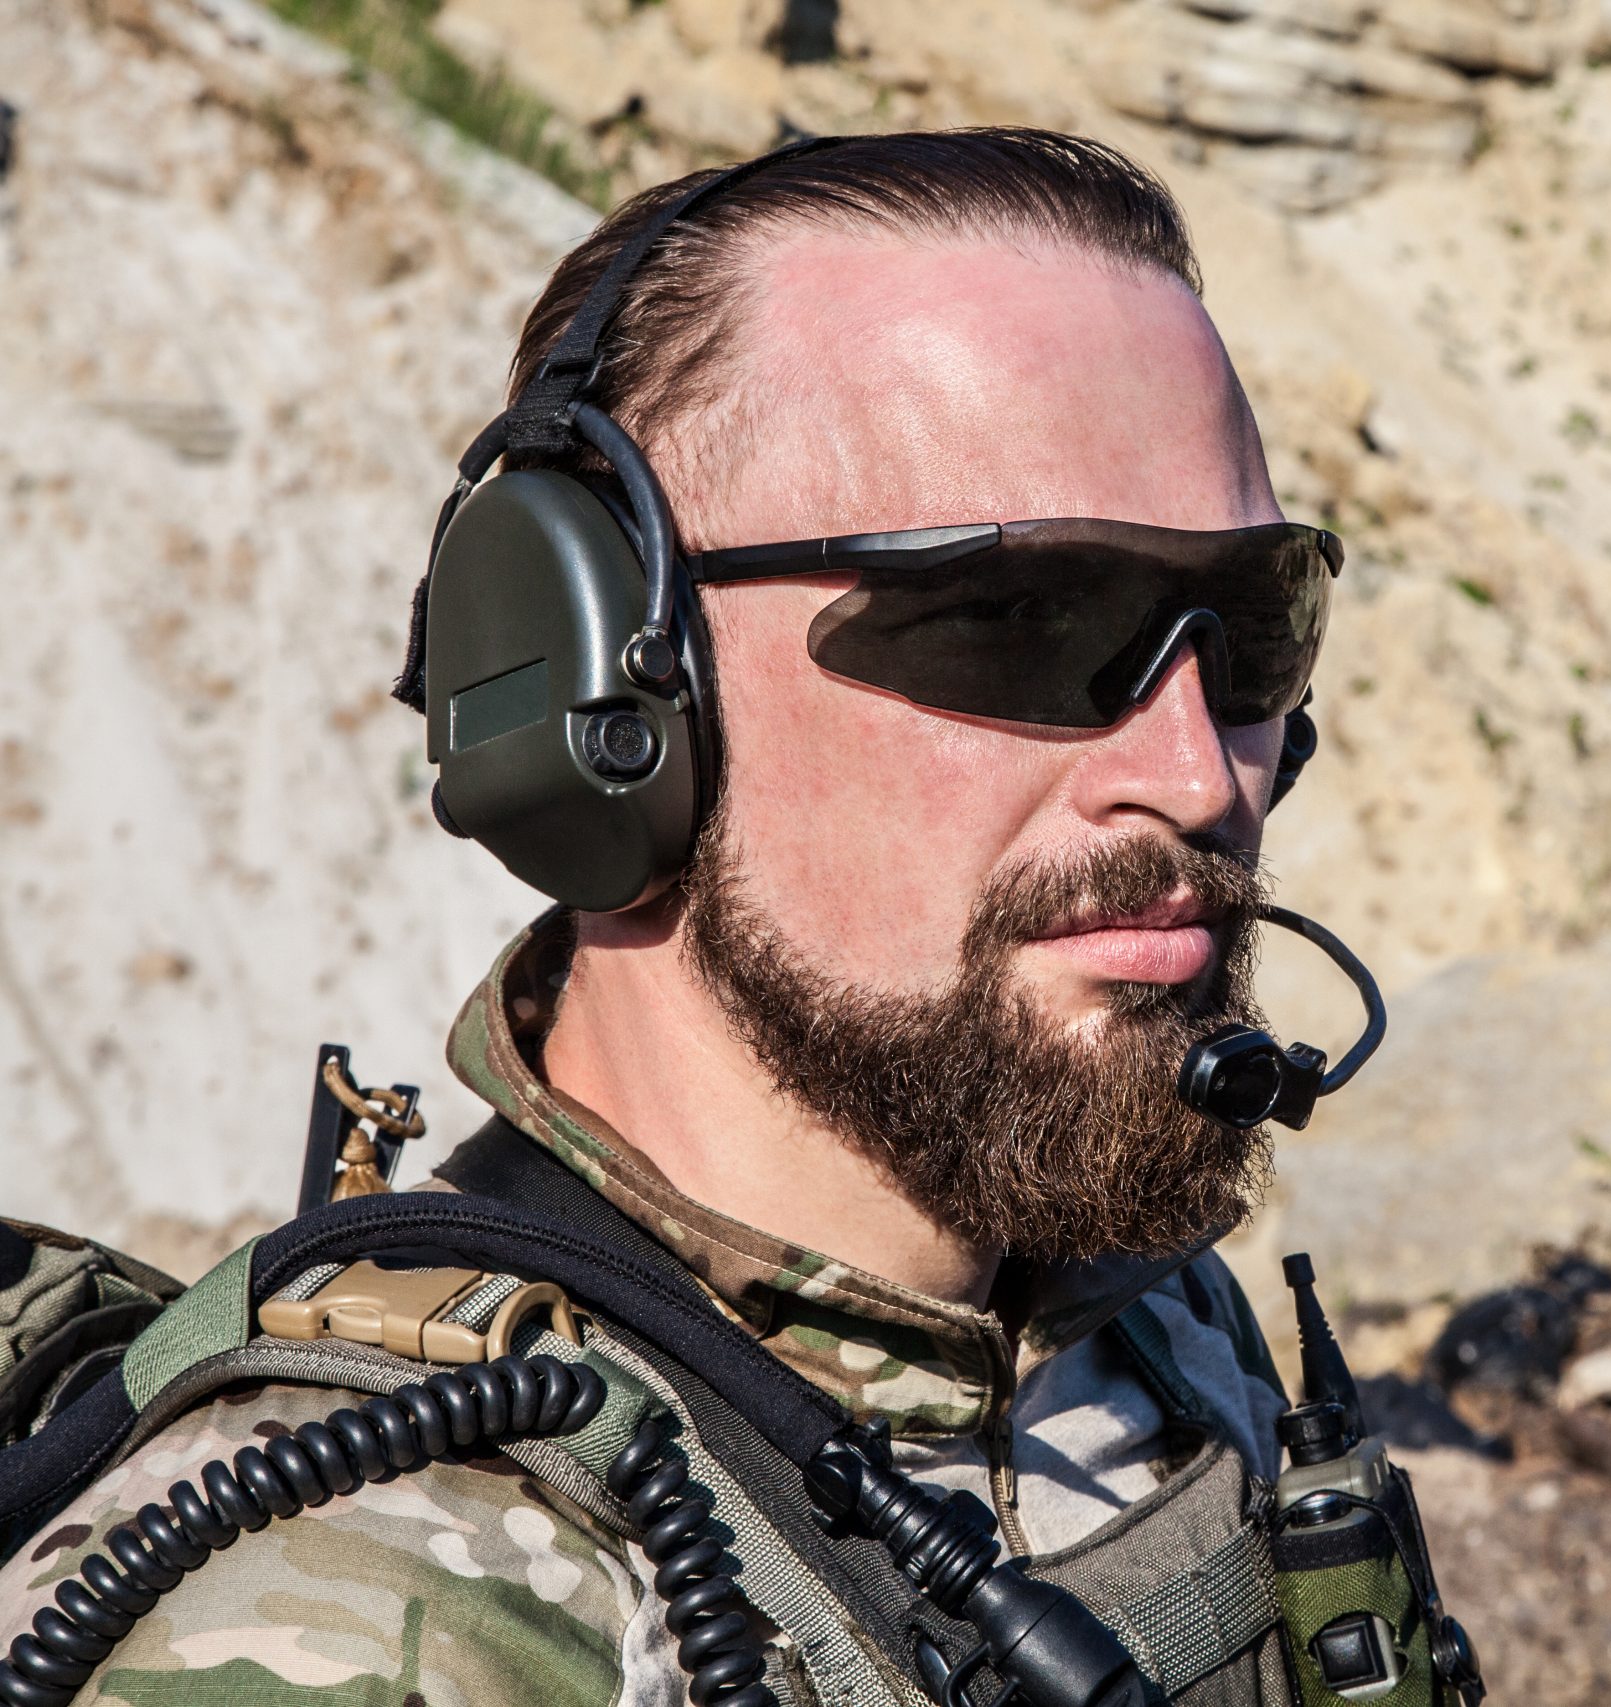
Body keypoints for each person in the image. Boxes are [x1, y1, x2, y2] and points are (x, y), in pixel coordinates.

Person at [0, 128, 1439, 1706]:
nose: (1197, 771)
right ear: (609, 687)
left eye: (1248, 628)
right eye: (1026, 621)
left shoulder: (1160, 1327)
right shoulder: (357, 1595)